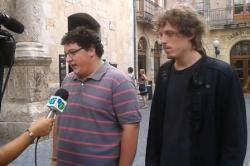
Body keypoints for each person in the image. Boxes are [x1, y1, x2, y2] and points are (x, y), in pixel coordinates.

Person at [146, 4, 247, 166]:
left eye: (170, 34)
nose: (163, 40)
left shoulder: (222, 75)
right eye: (161, 34)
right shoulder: (165, 73)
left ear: (191, 33)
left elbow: (234, 141)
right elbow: (155, 130)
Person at [52, 26, 141, 165]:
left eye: (73, 52)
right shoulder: (67, 80)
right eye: (66, 54)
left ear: (91, 50)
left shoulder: (119, 82)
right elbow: (58, 120)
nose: (68, 59)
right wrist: (55, 159)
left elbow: (131, 129)